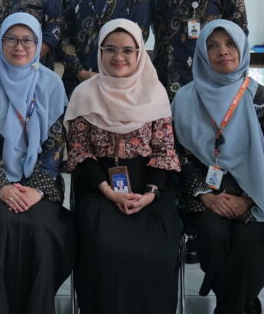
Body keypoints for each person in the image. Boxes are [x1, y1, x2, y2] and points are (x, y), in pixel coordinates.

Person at [0, 13, 75, 314]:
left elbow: (54, 143)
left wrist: (37, 188)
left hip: (39, 183)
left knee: (41, 227)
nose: (19, 46)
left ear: (38, 44)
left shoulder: (51, 83)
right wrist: (1, 186)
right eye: (11, 39)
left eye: (28, 40)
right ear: (0, 42)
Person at [65, 18, 181, 314]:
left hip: (149, 186)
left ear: (140, 53)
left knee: (157, 250)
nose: (119, 57)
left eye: (128, 50)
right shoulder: (84, 94)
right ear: (99, 52)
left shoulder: (155, 92)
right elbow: (79, 152)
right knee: (104, 249)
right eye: (110, 49)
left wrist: (151, 193)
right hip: (98, 185)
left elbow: (164, 151)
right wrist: (107, 191)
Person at [172, 20, 264, 314]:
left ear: (242, 48)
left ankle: (229, 306)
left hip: (256, 196)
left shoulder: (262, 99)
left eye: (230, 43)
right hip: (203, 196)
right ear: (202, 54)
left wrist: (247, 199)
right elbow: (178, 155)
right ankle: (243, 305)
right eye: (212, 45)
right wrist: (205, 194)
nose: (223, 51)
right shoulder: (185, 98)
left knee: (251, 241)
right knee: (214, 235)